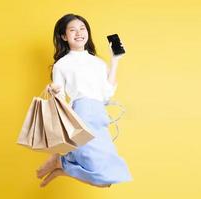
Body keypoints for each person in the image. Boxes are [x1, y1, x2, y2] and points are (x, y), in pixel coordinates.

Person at [36, 13, 132, 188]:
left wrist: (115, 60)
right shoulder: (62, 65)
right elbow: (60, 98)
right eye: (73, 30)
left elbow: (106, 94)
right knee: (100, 176)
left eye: (82, 29)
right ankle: (62, 163)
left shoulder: (98, 63)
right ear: (64, 36)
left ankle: (61, 165)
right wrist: (54, 90)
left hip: (99, 116)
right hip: (81, 115)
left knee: (106, 180)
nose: (79, 33)